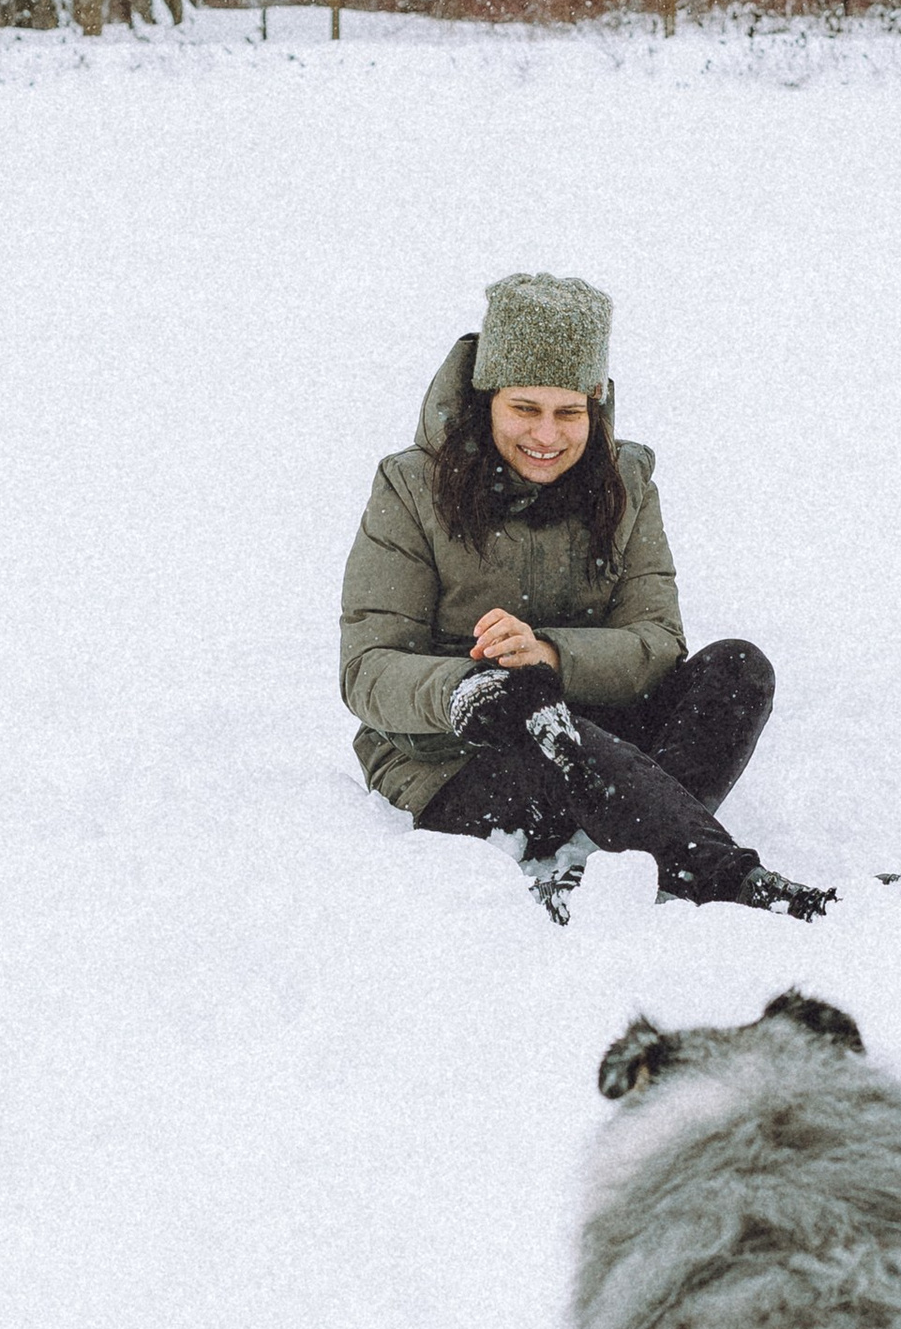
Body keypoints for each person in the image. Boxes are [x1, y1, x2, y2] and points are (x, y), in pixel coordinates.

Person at [339, 271, 833, 922]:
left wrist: (549, 655)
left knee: (737, 671)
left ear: (595, 405)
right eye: (525, 409)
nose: (547, 436)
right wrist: (469, 691)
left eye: (569, 412)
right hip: (469, 767)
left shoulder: (627, 483)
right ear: (487, 397)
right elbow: (367, 668)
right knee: (536, 712)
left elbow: (656, 643)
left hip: (599, 741)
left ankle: (614, 861)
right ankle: (729, 885)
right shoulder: (410, 489)